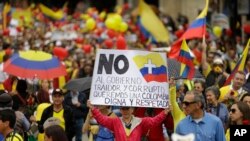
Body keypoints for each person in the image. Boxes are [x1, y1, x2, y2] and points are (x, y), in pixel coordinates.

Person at [87, 100, 170, 141]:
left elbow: (154, 121)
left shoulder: (140, 121)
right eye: (123, 109)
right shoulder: (115, 121)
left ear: (132, 110)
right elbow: (102, 119)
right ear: (120, 110)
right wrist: (93, 108)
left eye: (127, 109)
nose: (125, 111)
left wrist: (165, 112)